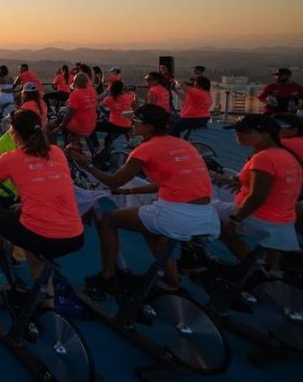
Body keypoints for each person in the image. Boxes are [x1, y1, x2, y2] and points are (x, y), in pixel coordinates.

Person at [69, 104, 219, 295]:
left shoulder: (145, 150)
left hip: (176, 214)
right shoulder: (184, 145)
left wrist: (87, 164)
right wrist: (134, 191)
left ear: (148, 127)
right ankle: (172, 279)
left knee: (108, 220)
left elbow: (113, 182)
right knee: (149, 228)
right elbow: (172, 182)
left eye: (135, 121)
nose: (131, 124)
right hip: (206, 214)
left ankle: (108, 276)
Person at [0, 110, 84, 291]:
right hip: (74, 236)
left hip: (41, 233)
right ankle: (46, 304)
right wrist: (26, 204)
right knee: (34, 258)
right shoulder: (56, 152)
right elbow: (50, 187)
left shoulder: (10, 158)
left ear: (14, 133)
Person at [210, 114, 301, 266]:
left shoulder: (263, 158)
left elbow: (258, 196)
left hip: (259, 217)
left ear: (265, 134)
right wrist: (241, 182)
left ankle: (249, 264)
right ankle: (270, 270)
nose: (238, 134)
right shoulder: (286, 155)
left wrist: (236, 219)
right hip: (283, 219)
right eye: (237, 130)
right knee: (273, 248)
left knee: (203, 208)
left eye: (245, 131)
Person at [52, 72, 97, 149]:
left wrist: (60, 127)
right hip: (92, 125)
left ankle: (60, 151)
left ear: (75, 83)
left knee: (53, 127)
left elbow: (69, 114)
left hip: (79, 127)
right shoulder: (93, 91)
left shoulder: (75, 95)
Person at [94, 79, 135, 164]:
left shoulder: (109, 99)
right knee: (109, 139)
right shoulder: (129, 96)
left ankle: (97, 148)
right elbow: (133, 106)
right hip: (127, 125)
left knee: (92, 126)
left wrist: (106, 93)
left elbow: (99, 102)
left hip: (114, 125)